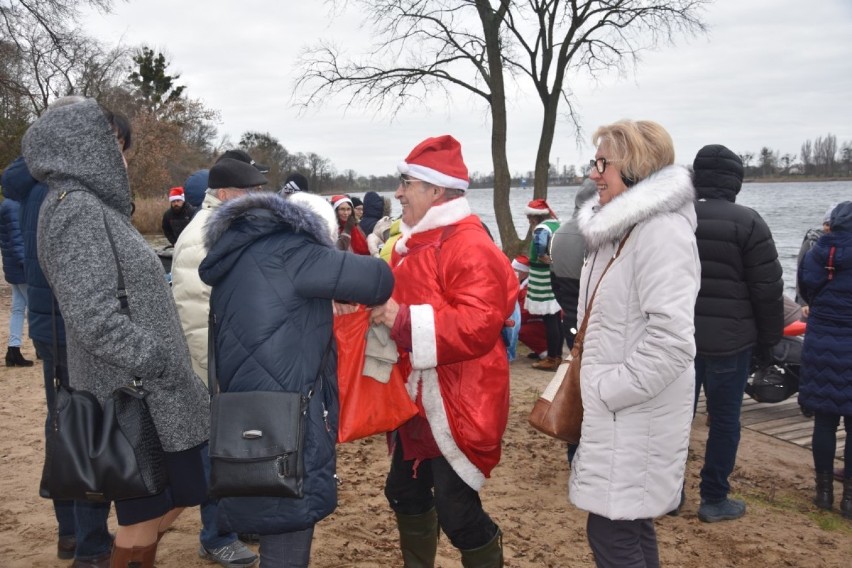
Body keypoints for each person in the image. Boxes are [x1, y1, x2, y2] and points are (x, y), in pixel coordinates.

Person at [23, 98, 210, 568]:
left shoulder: (89, 206)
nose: (122, 158)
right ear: (86, 144)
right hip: (132, 395)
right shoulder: (76, 209)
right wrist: (157, 359)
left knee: (168, 500)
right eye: (116, 144)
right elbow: (92, 317)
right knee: (142, 517)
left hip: (146, 391)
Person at [198, 190, 394, 568]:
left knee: (270, 511)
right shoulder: (293, 251)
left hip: (244, 405)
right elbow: (378, 280)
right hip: (287, 412)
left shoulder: (240, 253)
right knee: (286, 524)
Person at [370, 135, 517, 567]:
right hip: (416, 398)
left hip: (459, 399)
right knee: (404, 491)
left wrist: (401, 321)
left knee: (457, 512)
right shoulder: (408, 243)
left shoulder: (469, 244)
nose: (397, 192)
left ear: (436, 191)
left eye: (406, 183)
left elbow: (478, 324)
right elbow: (390, 299)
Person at [569, 120, 700, 567]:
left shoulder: (660, 233)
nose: (593, 174)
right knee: (627, 524)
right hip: (623, 418)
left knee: (612, 531)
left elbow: (673, 342)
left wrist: (606, 390)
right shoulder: (619, 234)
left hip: (634, 414)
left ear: (637, 168)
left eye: (602, 163)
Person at [3, 97, 114, 568]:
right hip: (78, 326)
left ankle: (71, 533)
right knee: (89, 431)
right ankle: (90, 545)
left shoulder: (30, 182)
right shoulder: (66, 186)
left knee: (63, 425)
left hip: (51, 324)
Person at [171, 157, 267, 567]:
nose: (257, 199)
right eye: (250, 192)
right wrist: (215, 378)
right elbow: (194, 315)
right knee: (219, 452)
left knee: (241, 447)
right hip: (216, 368)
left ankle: (238, 520)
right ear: (226, 193)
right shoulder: (201, 237)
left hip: (239, 359)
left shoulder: (232, 226)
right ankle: (215, 535)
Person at [692, 144, 784, 523]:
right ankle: (714, 498)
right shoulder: (749, 222)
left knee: (675, 419)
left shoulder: (679, 219)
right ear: (736, 181)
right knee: (726, 421)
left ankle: (668, 493)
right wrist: (770, 341)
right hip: (731, 343)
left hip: (680, 338)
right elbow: (768, 289)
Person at [797, 201, 852, 518]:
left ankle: (823, 493)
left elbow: (806, 290)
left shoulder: (817, 253)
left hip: (821, 342)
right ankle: (848, 500)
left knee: (824, 422)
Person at [550, 179, 597, 350]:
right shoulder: (601, 233)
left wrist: (569, 309)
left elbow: (554, 282)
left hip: (571, 315)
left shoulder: (558, 233)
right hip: (596, 322)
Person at [524, 199, 562, 371]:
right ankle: (557, 354)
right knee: (554, 316)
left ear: (535, 217)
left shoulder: (541, 229)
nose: (528, 220)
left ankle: (552, 358)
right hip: (554, 274)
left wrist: (543, 258)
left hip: (542, 276)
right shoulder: (556, 225)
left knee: (549, 318)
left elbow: (540, 246)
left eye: (529, 217)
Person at [0, 195, 34, 367]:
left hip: (13, 266)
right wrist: (27, 265)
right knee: (34, 307)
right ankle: (43, 347)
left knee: (18, 308)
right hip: (21, 267)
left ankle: (13, 349)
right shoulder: (14, 206)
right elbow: (17, 240)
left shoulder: (8, 203)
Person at [796, 203, 837, 316]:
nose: (829, 228)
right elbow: (800, 271)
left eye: (832, 224)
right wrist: (803, 302)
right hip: (811, 298)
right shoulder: (811, 242)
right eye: (826, 224)